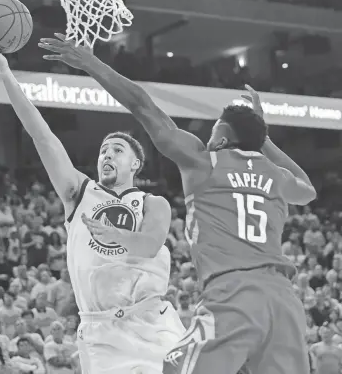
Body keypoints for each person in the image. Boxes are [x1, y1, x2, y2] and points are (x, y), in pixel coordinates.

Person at [37, 35, 317, 374]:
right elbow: (308, 190)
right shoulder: (276, 176)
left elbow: (143, 106)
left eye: (213, 132)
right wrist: (265, 140)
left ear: (224, 138)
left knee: (171, 369)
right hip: (284, 301)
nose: (208, 138)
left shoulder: (204, 162)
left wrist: (91, 64)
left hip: (233, 295)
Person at [0, 27, 185, 374]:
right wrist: (3, 70)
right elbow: (41, 135)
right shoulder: (80, 192)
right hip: (101, 333)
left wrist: (112, 232)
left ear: (136, 163)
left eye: (117, 150)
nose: (107, 154)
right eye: (103, 149)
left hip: (152, 320)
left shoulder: (153, 202)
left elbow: (148, 246)